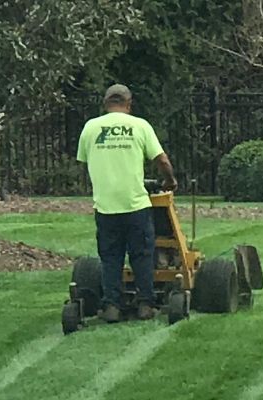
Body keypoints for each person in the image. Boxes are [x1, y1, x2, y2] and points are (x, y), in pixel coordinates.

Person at [76, 84, 177, 322]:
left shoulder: (91, 128)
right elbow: (161, 159)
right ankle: (145, 304)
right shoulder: (140, 126)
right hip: (135, 205)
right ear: (129, 104)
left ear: (105, 104)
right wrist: (169, 180)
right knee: (142, 254)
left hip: (105, 206)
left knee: (111, 257)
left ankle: (111, 305)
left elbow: (83, 162)